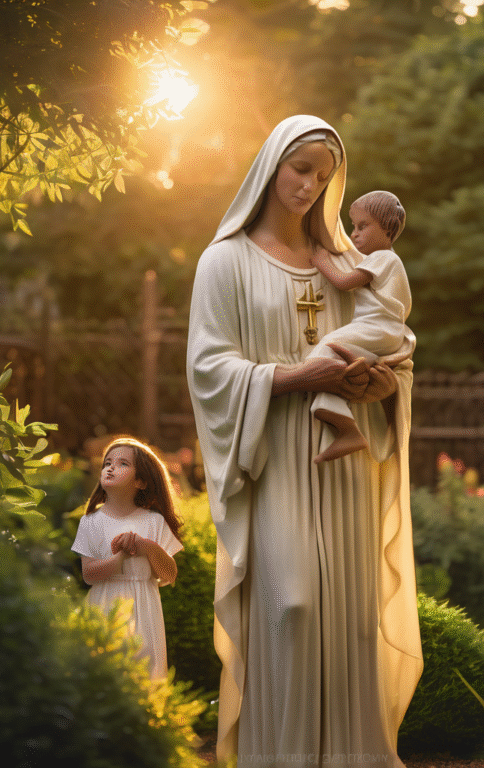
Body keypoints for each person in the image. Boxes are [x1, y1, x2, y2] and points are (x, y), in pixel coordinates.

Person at [187, 115, 422, 767]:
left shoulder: (352, 263)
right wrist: (296, 376)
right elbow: (208, 369)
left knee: (349, 620)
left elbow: (396, 344)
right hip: (276, 455)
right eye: (300, 169)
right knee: (290, 605)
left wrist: (378, 386)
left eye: (323, 175)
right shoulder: (224, 261)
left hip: (342, 455)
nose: (311, 185)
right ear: (270, 167)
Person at [308, 190, 415, 463]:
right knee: (337, 367)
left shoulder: (384, 258)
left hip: (378, 328)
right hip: (382, 330)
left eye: (363, 226)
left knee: (324, 352)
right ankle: (344, 427)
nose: (354, 234)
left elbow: (344, 282)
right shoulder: (384, 260)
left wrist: (322, 262)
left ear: (388, 228)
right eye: (353, 226)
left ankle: (347, 431)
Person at [71, 436, 184, 681]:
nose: (111, 467)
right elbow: (89, 575)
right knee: (103, 674)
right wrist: (120, 558)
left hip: (144, 607)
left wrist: (147, 547)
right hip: (104, 607)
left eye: (123, 464)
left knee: (144, 673)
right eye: (108, 462)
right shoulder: (91, 522)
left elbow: (169, 574)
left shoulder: (153, 522)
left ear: (141, 481)